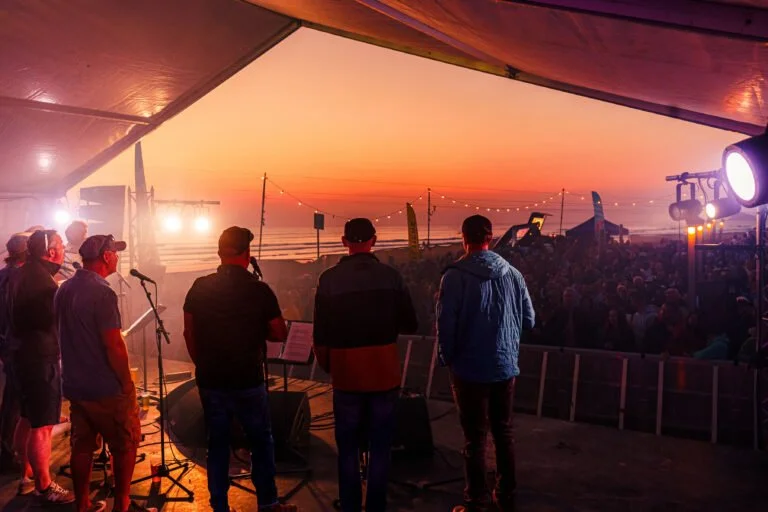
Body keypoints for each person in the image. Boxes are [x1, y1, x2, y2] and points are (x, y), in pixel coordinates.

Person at [183, 226, 295, 512]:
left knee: (217, 443)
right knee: (260, 440)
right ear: (247, 255)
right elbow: (279, 333)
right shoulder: (258, 290)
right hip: (248, 380)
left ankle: (219, 505)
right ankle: (268, 503)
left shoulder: (199, 286)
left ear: (220, 254)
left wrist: (202, 365)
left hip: (211, 379)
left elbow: (189, 332)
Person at [313, 218, 418, 512]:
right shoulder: (392, 277)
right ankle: (375, 506)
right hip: (384, 371)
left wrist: (328, 365)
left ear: (344, 242)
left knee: (347, 447)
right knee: (380, 446)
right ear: (375, 239)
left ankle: (349, 505)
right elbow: (411, 322)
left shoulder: (328, 279)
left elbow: (320, 332)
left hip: (346, 373)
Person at [437, 215, 535, 512]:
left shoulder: (454, 277)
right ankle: (506, 496)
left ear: (463, 238)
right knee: (504, 433)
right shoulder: (513, 275)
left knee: (475, 439)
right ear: (490, 238)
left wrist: (447, 358)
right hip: (504, 366)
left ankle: (475, 500)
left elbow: (446, 325)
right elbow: (529, 320)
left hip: (468, 370)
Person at [55, 235, 153, 512]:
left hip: (75, 384)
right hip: (105, 387)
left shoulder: (63, 289)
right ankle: (121, 505)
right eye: (115, 252)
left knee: (82, 445)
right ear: (106, 257)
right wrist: (126, 384)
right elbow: (114, 345)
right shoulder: (102, 292)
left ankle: (83, 503)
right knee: (125, 444)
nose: (118, 257)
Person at [7, 230, 74, 503]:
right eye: (60, 245)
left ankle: (26, 476)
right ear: (50, 252)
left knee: (26, 418)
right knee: (43, 426)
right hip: (39, 359)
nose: (64, 250)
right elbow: (50, 322)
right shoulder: (43, 283)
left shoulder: (21, 273)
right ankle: (44, 486)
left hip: (19, 356)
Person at [0, 233, 29, 473]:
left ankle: (8, 452)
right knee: (16, 404)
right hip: (20, 346)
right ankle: (11, 456)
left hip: (8, 345)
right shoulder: (20, 278)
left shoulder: (2, 275)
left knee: (12, 401)